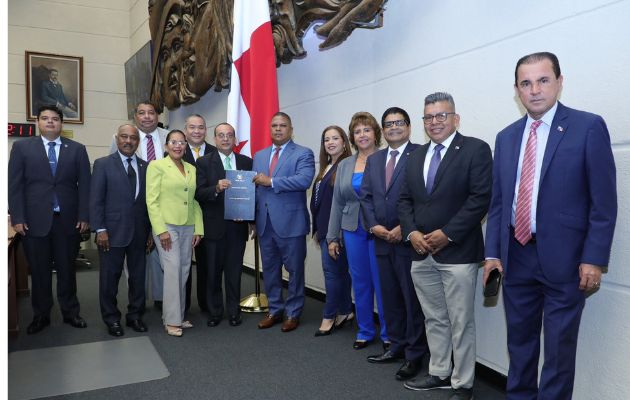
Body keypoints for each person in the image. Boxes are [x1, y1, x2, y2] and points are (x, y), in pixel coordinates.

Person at [484, 52, 617, 399]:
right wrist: (492, 254)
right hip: (516, 256)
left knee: (558, 354)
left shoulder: (588, 127)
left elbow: (603, 204)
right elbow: (499, 203)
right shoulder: (507, 137)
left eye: (543, 80)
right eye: (526, 83)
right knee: (520, 347)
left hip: (567, 262)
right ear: (517, 90)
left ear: (559, 81)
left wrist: (593, 258)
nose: (535, 90)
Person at [398, 93, 493, 400]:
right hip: (420, 251)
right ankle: (439, 372)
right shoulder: (414, 156)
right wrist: (411, 233)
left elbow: (480, 198)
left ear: (456, 118)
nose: (434, 122)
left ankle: (463, 383)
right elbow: (405, 201)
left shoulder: (476, 149)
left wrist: (447, 234)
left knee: (460, 321)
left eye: (441, 116)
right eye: (428, 117)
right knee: (434, 316)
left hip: (458, 252)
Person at [360, 107, 429, 381]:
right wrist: (373, 226)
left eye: (399, 123)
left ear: (409, 127)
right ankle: (396, 346)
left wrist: (406, 228)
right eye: (388, 124)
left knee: (412, 302)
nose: (393, 128)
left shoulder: (421, 154)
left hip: (408, 242)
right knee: (390, 299)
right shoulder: (375, 160)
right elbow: (365, 197)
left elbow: (425, 198)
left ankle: (414, 355)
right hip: (381, 241)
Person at [8, 105, 90, 334]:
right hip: (34, 221)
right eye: (45, 118)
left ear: (62, 123)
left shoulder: (77, 149)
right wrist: (18, 217)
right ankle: (41, 315)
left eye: (55, 119)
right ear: (38, 122)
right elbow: (15, 187)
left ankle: (71, 312)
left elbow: (85, 186)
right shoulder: (22, 148)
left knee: (67, 270)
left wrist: (84, 215)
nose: (50, 122)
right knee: (40, 271)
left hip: (67, 221)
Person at [327, 112, 388, 350]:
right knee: (360, 282)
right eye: (357, 131)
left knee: (383, 283)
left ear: (376, 133)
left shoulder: (386, 159)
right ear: (352, 137)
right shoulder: (345, 164)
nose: (362, 135)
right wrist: (333, 237)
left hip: (381, 231)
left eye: (367, 129)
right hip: (352, 229)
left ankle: (388, 333)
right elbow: (337, 203)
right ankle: (364, 330)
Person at [252, 112, 315, 332]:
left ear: (291, 129)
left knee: (295, 270)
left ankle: (293, 313)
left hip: (291, 223)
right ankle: (275, 310)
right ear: (270, 129)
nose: (278, 129)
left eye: (283, 126)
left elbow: (304, 180)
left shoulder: (303, 153)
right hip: (265, 224)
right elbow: (254, 190)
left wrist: (271, 181)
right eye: (274, 126)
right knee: (269, 270)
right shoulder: (259, 155)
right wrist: (252, 218)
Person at [90, 124, 152, 336]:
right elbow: (95, 200)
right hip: (111, 232)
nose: (128, 141)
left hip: (139, 232)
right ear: (117, 139)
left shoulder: (146, 166)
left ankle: (135, 315)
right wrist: (100, 229)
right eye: (124, 137)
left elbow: (149, 203)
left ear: (138, 141)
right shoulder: (103, 164)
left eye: (133, 138)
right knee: (109, 278)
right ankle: (111, 318)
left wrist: (151, 232)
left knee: (138, 278)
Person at [110, 101, 169, 311]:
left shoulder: (168, 137)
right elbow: (114, 170)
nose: (147, 117)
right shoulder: (123, 138)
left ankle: (162, 298)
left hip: (164, 206)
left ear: (157, 116)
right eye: (142, 113)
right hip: (135, 209)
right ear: (135, 117)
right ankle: (138, 300)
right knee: (135, 258)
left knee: (162, 254)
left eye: (151, 113)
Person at [146, 130, 204, 337]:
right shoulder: (156, 166)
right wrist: (160, 230)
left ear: (186, 145)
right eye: (173, 142)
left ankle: (176, 315)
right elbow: (151, 201)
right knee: (172, 271)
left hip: (187, 225)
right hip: (166, 226)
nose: (178, 145)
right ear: (166, 145)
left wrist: (199, 228)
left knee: (184, 271)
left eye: (181, 142)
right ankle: (171, 321)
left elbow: (194, 201)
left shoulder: (190, 168)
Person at [195, 122, 253, 327]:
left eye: (229, 135)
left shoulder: (246, 162)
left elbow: (251, 195)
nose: (226, 139)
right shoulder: (203, 162)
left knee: (234, 272)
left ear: (235, 139)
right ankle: (215, 311)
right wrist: (216, 188)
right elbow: (199, 193)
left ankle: (234, 311)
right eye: (221, 135)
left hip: (237, 227)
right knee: (212, 273)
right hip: (213, 228)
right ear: (215, 139)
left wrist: (250, 219)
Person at [309, 126, 354, 336]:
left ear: (345, 142)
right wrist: (317, 229)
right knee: (340, 274)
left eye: (335, 138)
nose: (331, 142)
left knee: (332, 274)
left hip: (338, 232)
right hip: (324, 228)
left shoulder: (347, 166)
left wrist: (331, 233)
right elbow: (320, 202)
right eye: (326, 139)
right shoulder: (326, 167)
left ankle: (328, 316)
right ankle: (345, 311)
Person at [181, 114, 216, 312]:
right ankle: (183, 306)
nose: (196, 131)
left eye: (201, 127)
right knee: (184, 264)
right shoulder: (177, 150)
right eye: (192, 127)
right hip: (183, 217)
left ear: (206, 130)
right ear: (186, 130)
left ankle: (206, 303)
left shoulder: (215, 151)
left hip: (209, 217)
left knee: (207, 264)